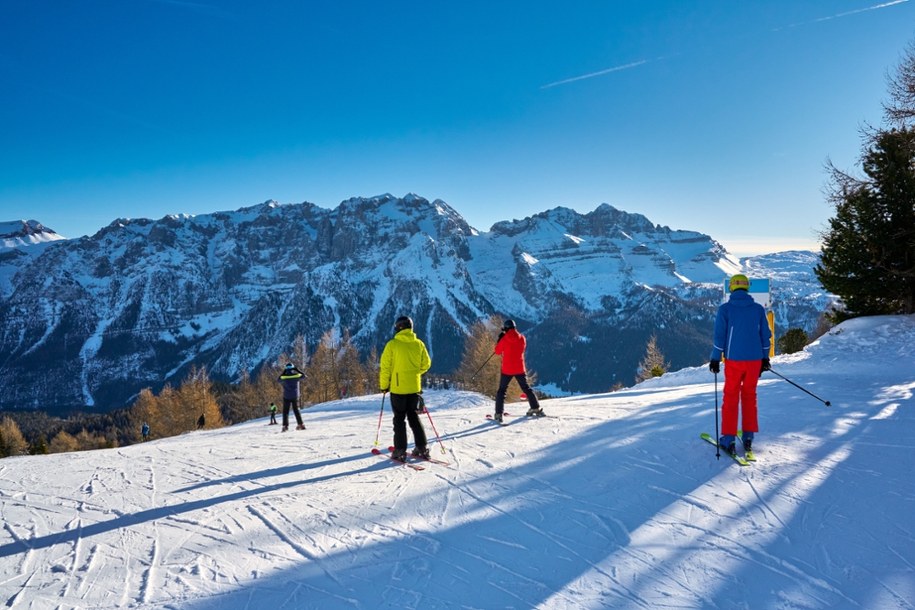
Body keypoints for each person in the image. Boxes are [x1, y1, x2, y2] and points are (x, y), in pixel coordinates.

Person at [709, 274, 772, 456]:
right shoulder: (758, 309)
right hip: (755, 360)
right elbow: (765, 336)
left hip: (734, 360)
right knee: (750, 396)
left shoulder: (725, 309)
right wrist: (765, 359)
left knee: (730, 397)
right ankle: (748, 436)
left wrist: (715, 358)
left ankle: (728, 438)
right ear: (746, 288)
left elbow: (719, 337)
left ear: (732, 289)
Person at [379, 316, 432, 462]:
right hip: (414, 388)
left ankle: (400, 451)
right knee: (414, 418)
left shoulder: (392, 345)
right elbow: (426, 364)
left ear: (398, 328)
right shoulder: (419, 344)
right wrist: (415, 373)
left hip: (398, 389)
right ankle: (422, 447)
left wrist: (384, 386)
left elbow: (385, 368)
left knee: (399, 420)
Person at [493, 319, 544, 422]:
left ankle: (498, 414)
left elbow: (497, 351)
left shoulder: (504, 339)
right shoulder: (522, 338)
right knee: (526, 388)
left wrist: (500, 340)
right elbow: (522, 349)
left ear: (506, 328)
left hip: (507, 369)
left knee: (502, 391)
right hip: (520, 368)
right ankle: (535, 407)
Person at [278, 363, 306, 431]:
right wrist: (297, 370)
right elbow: (304, 376)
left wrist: (284, 372)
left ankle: (285, 426)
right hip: (295, 396)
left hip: (286, 396)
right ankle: (301, 424)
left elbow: (278, 379)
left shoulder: (284, 377)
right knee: (296, 410)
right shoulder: (296, 376)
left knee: (285, 412)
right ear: (293, 368)